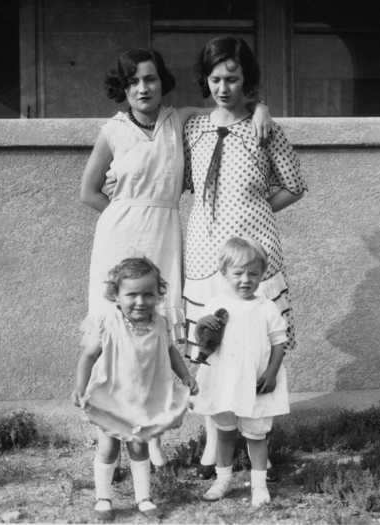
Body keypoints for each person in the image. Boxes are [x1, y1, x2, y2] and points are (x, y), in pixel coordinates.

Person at [79, 47, 272, 468]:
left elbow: (229, 104)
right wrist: (125, 215)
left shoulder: (179, 119)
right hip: (119, 238)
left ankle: (154, 433)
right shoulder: (111, 131)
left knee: (160, 329)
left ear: (161, 82)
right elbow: (88, 192)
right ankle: (115, 429)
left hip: (165, 234)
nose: (143, 88)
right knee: (118, 331)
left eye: (149, 79)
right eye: (133, 82)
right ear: (124, 89)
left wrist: (262, 109)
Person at [182, 36, 307, 480]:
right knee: (209, 343)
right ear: (206, 80)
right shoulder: (193, 127)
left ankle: (257, 444)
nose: (223, 87)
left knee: (252, 342)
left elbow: (294, 184)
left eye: (233, 78)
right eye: (215, 78)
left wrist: (253, 209)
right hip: (203, 249)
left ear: (246, 80)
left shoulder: (264, 128)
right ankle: (215, 442)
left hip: (254, 253)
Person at [72, 257, 199, 520]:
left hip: (142, 398)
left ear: (158, 294)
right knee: (109, 448)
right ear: (116, 296)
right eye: (132, 295)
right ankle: (103, 498)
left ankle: (143, 497)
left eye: (148, 294)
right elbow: (88, 357)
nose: (140, 302)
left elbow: (171, 352)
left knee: (139, 447)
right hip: (111, 397)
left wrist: (185, 376)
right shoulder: (108, 323)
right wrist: (80, 388)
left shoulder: (161, 323)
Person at [191, 237, 289, 507]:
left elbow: (280, 343)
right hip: (224, 380)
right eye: (238, 273)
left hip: (255, 380)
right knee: (225, 432)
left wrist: (271, 373)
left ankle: (258, 486)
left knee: (256, 434)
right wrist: (201, 327)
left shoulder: (267, 307)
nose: (246, 280)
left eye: (253, 274)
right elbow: (204, 338)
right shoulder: (215, 304)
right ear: (224, 273)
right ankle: (222, 480)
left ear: (262, 275)